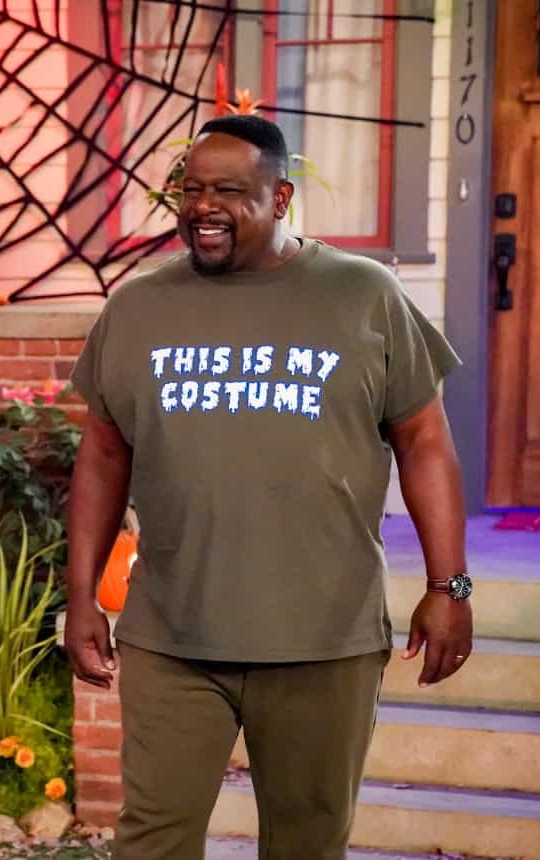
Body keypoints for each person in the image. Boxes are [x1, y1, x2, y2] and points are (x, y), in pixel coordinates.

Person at [64, 114, 473, 859]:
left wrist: (450, 586)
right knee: (151, 842)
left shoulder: (363, 294)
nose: (203, 206)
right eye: (191, 189)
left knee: (307, 845)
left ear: (281, 197)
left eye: (228, 190)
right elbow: (101, 457)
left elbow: (426, 444)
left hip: (324, 639)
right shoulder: (139, 306)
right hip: (174, 635)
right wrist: (81, 594)